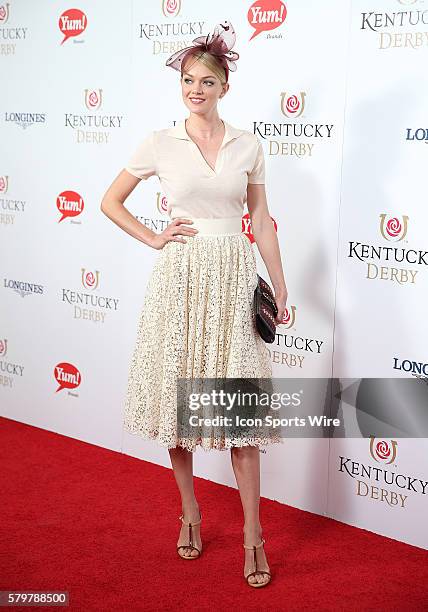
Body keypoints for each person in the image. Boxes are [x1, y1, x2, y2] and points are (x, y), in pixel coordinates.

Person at [100, 20, 288, 588]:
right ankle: (190, 511)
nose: (195, 89)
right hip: (180, 279)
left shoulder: (249, 143)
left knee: (239, 419)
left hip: (233, 277)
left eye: (207, 80)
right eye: (188, 80)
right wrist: (154, 237)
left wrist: (281, 289)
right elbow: (110, 201)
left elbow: (259, 220)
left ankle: (254, 532)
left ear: (224, 87)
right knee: (178, 413)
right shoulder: (160, 142)